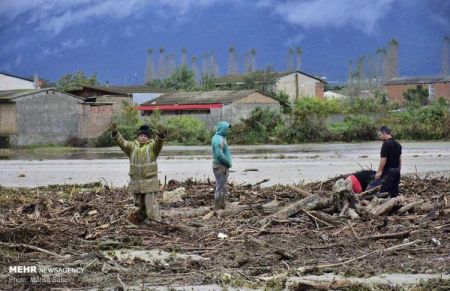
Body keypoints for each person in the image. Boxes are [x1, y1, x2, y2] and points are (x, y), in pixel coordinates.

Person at [111, 122, 165, 224]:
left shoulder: (153, 147)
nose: (143, 138)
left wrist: (160, 135)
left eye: (145, 136)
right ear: (138, 137)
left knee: (151, 205)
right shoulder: (131, 147)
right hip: (137, 183)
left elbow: (159, 143)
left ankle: (156, 223)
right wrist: (115, 133)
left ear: (148, 138)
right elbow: (121, 142)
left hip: (149, 183)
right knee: (140, 205)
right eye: (141, 135)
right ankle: (142, 222)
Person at [376, 126, 402, 197]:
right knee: (394, 194)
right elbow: (399, 159)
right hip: (397, 171)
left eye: (380, 135)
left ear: (384, 133)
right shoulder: (398, 145)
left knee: (383, 194)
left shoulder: (386, 144)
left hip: (389, 172)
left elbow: (383, 160)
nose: (380, 137)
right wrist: (399, 170)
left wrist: (378, 172)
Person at [211, 121, 232, 209]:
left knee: (223, 187)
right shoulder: (218, 139)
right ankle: (217, 208)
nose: (228, 131)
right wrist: (228, 163)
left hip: (223, 166)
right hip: (220, 166)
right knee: (220, 187)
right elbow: (219, 154)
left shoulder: (221, 137)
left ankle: (222, 207)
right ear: (222, 129)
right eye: (227, 129)